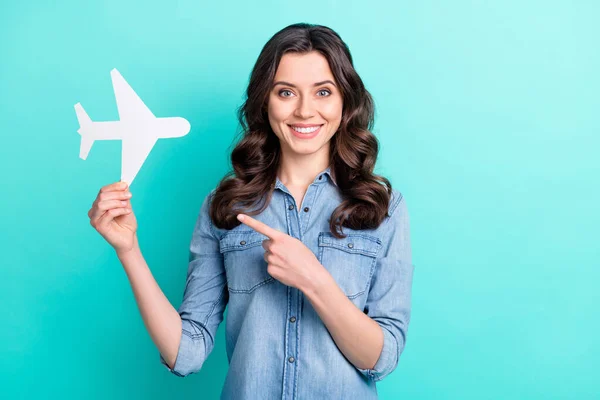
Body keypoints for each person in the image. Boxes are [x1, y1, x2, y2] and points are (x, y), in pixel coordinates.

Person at [88, 23, 414, 399]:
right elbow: (186, 353)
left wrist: (314, 279)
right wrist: (128, 250)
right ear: (265, 101)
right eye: (286, 92)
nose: (305, 110)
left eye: (323, 92)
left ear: (345, 102)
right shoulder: (225, 207)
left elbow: (382, 358)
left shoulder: (383, 208)